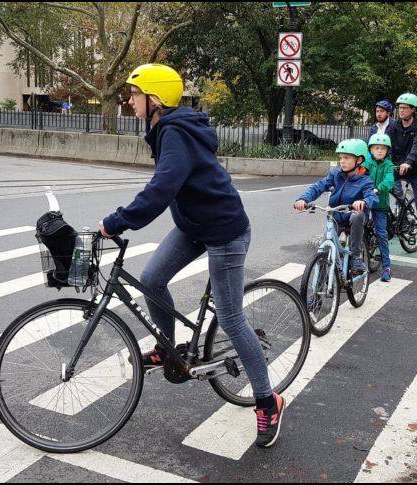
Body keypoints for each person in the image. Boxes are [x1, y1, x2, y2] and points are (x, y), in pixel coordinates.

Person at [99, 63, 284, 448]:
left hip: (225, 231)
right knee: (151, 281)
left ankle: (268, 401)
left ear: (154, 99)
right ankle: (167, 347)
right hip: (193, 225)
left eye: (134, 95)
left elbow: (162, 187)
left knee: (231, 319)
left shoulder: (174, 133)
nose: (128, 101)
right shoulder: (166, 129)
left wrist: (117, 221)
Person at [294, 139, 379, 275]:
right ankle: (318, 291)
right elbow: (319, 186)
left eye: (346, 158)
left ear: (359, 160)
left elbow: (372, 197)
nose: (342, 161)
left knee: (357, 215)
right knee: (323, 251)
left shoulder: (365, 180)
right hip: (336, 216)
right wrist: (304, 199)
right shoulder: (336, 174)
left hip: (353, 216)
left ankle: (356, 256)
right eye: (340, 158)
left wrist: (363, 201)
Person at [387, 92, 417, 263]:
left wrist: (408, 162)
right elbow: (385, 146)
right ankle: (386, 231)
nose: (401, 111)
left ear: (413, 109)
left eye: (405, 108)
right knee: (377, 192)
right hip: (397, 167)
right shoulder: (393, 126)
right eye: (399, 108)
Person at [366, 134, 396, 282]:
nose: (379, 151)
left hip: (380, 203)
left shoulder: (389, 165)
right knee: (357, 226)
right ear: (370, 150)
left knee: (381, 233)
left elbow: (389, 180)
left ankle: (386, 267)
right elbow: (358, 175)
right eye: (376, 148)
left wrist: (379, 188)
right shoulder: (366, 163)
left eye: (383, 148)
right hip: (365, 200)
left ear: (387, 151)